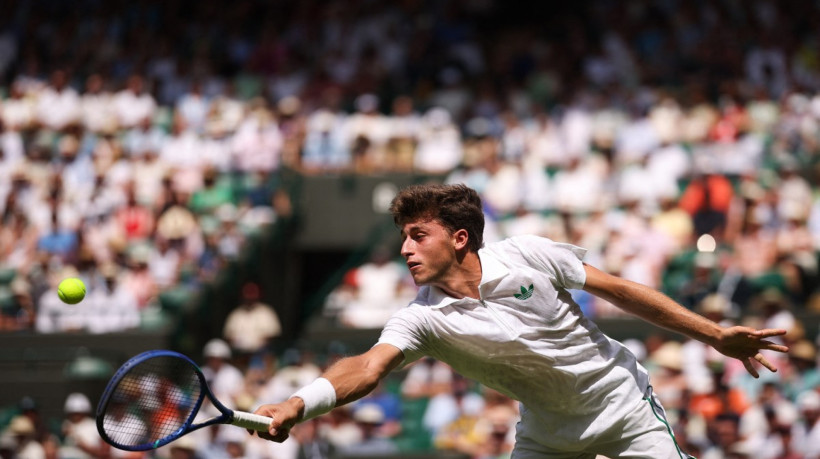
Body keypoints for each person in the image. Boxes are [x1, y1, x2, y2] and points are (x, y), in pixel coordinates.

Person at [251, 183, 789, 459]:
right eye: (403, 237)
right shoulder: (421, 321)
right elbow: (367, 369)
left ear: (460, 238)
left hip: (623, 408)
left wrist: (715, 334)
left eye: (418, 235)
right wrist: (300, 404)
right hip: (547, 436)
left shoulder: (529, 253)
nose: (404, 249)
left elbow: (624, 291)